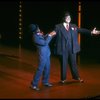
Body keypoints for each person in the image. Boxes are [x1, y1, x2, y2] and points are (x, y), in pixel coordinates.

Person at [53, 11, 99, 83]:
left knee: (73, 63)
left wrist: (91, 32)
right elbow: (52, 34)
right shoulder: (58, 27)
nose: (68, 18)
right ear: (63, 18)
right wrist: (44, 38)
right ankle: (63, 79)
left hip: (72, 49)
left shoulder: (73, 26)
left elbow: (81, 30)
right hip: (63, 49)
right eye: (67, 17)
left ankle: (76, 77)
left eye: (69, 17)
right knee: (63, 64)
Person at [29, 24, 56, 91]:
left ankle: (45, 82)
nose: (39, 29)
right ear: (34, 30)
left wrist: (49, 34)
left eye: (38, 27)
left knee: (47, 68)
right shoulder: (35, 37)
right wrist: (50, 36)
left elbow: (44, 37)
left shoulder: (38, 34)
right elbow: (45, 43)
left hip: (47, 53)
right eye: (37, 28)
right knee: (40, 69)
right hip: (42, 55)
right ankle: (33, 84)